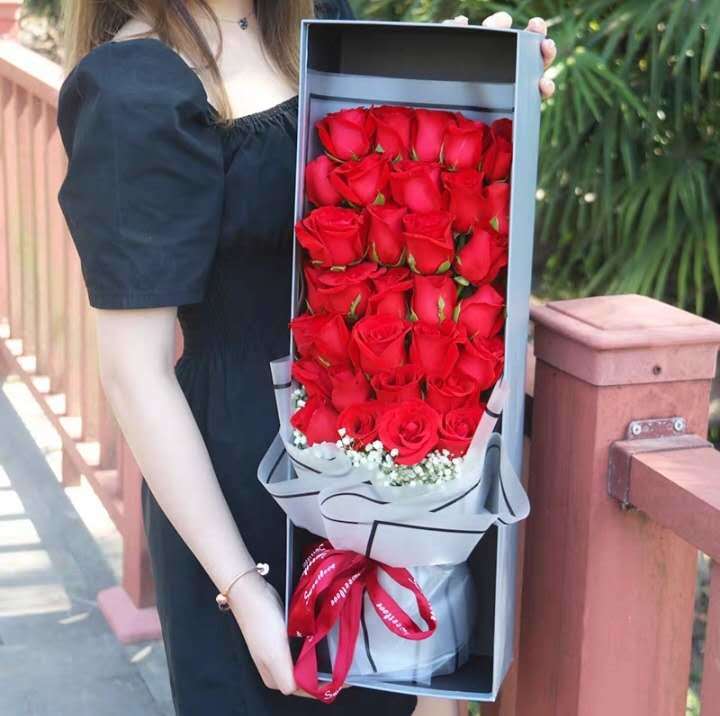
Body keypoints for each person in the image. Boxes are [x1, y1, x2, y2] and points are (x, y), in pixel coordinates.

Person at [55, 1, 556, 714]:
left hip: (389, 445)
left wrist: (473, 85)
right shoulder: (131, 91)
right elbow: (134, 374)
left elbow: (394, 179)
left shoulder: (316, 16)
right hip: (239, 495)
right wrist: (243, 587)